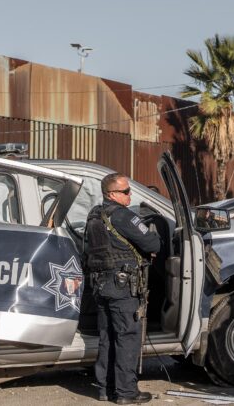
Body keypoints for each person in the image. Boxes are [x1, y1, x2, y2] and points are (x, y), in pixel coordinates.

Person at [84, 173, 160, 404]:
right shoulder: (124, 216)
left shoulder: (94, 216)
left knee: (107, 337)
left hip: (100, 285)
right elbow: (153, 243)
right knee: (127, 337)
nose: (130, 195)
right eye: (126, 191)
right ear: (112, 194)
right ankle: (127, 393)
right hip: (123, 287)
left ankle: (106, 389)